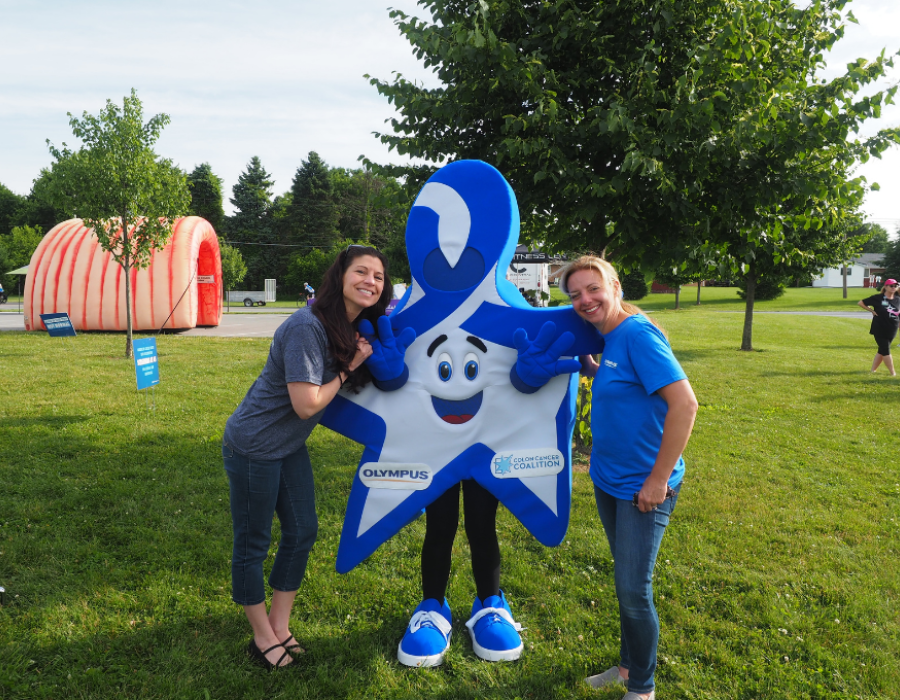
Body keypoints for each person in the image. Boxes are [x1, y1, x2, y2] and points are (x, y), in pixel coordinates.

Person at [223, 245, 410, 670]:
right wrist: (353, 364)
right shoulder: (308, 326)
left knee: (303, 531)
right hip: (253, 445)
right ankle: (260, 635)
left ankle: (279, 623)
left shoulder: (351, 327)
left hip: (287, 446)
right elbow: (307, 404)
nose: (370, 281)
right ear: (340, 276)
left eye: (379, 277)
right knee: (253, 543)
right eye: (361, 272)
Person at [559, 256, 698, 700]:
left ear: (614, 286)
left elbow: (685, 405)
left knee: (634, 590)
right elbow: (625, 385)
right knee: (625, 581)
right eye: (575, 294)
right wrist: (591, 368)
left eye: (592, 289)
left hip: (644, 487)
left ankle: (642, 687)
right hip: (608, 479)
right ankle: (626, 667)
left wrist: (658, 481)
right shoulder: (611, 339)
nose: (585, 300)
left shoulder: (636, 334)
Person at [857, 278, 900, 376]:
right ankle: (892, 373)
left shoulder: (898, 299)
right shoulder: (877, 298)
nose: (893, 288)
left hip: (892, 328)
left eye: (895, 286)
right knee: (886, 349)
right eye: (891, 286)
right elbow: (861, 303)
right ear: (885, 287)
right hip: (879, 328)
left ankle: (873, 370)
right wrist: (871, 310)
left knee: (882, 350)